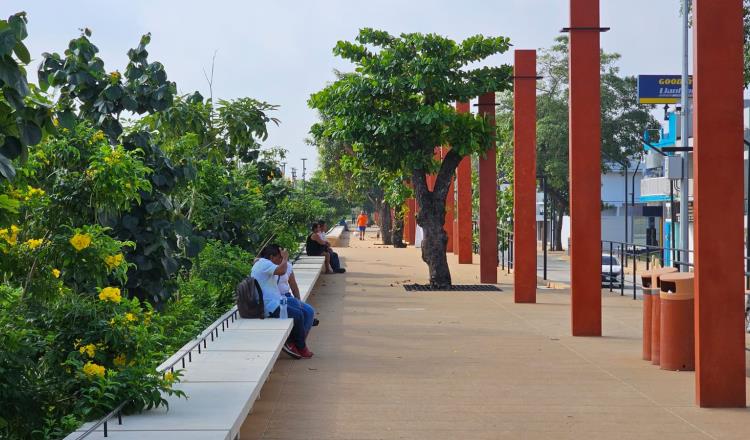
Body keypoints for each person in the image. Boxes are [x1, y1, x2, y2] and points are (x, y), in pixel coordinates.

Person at [251, 244, 313, 359]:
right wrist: (285, 258)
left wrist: (282, 258)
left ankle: (293, 342)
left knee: (301, 307)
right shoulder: (265, 264)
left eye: (281, 258)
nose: (280, 260)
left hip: (276, 300)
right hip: (269, 306)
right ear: (271, 257)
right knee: (298, 315)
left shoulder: (263, 262)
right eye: (279, 257)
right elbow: (282, 270)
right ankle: (300, 347)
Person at [277, 259, 318, 334]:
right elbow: (257, 260)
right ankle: (299, 342)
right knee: (303, 313)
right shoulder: (268, 267)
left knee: (309, 311)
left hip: (287, 296)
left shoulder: (288, 266)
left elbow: (293, 285)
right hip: (276, 298)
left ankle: (300, 341)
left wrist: (298, 300)